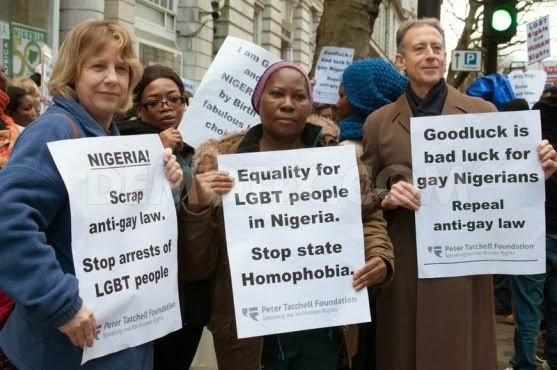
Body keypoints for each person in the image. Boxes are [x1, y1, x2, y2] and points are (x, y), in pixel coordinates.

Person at [360, 18, 557, 370]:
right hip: (406, 261)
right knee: (404, 353)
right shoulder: (379, 122)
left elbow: (508, 184)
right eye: (419, 48)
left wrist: (536, 168)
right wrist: (385, 196)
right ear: (401, 60)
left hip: (464, 262)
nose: (431, 56)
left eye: (437, 48)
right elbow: (367, 192)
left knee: (459, 354)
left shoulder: (483, 113)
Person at [178, 61, 395, 370]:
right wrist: (198, 205)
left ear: (311, 105)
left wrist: (379, 256)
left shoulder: (334, 158)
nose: (288, 105)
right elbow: (196, 266)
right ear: (258, 101)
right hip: (251, 337)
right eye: (277, 94)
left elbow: (370, 215)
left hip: (324, 327)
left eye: (299, 96)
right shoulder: (221, 162)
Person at [0, 20, 183, 370]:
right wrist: (59, 302)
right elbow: (7, 220)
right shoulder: (55, 131)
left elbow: (125, 225)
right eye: (97, 66)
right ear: (73, 73)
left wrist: (164, 189)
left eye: (121, 68)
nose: (112, 78)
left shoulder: (110, 137)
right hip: (64, 349)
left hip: (115, 343)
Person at [118, 64, 208, 370]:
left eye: (173, 99)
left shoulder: (197, 147)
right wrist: (155, 150)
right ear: (140, 109)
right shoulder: (123, 143)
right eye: (154, 102)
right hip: (149, 282)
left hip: (191, 281)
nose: (166, 107)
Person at [508, 92, 557, 370]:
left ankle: (524, 363)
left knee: (528, 307)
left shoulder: (531, 126)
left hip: (533, 229)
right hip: (543, 228)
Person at [336, 58, 407, 157]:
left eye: (341, 96)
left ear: (360, 100)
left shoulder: (346, 150)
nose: (337, 104)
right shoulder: (401, 141)